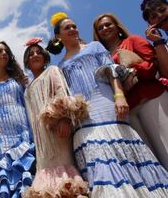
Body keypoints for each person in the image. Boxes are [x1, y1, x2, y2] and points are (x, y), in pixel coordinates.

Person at [46, 12, 168, 197]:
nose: (73, 29)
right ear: (58, 37)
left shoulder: (94, 46)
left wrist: (119, 96)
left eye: (74, 26)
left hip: (108, 106)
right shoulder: (60, 66)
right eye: (67, 28)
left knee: (129, 157)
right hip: (84, 118)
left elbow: (112, 71)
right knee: (100, 161)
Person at [93, 13, 168, 169]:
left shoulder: (133, 41)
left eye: (108, 24)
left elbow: (152, 67)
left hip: (151, 99)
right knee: (151, 161)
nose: (105, 28)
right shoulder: (100, 59)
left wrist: (132, 70)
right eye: (100, 28)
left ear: (117, 27)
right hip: (129, 112)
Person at [22, 38, 89, 198]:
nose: (35, 55)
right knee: (45, 174)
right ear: (27, 61)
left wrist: (64, 119)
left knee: (64, 173)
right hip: (41, 140)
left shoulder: (52, 70)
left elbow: (61, 93)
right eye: (31, 54)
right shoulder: (28, 88)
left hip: (58, 130)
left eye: (39, 52)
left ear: (45, 57)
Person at [0, 41, 35, 198]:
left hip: (22, 131)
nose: (4, 53)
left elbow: (29, 96)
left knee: (24, 174)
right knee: (3, 177)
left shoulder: (18, 79)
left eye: (6, 51)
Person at [141, 0, 168, 87]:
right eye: (154, 16)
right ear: (151, 25)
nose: (160, 16)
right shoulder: (163, 48)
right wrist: (158, 41)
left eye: (162, 10)